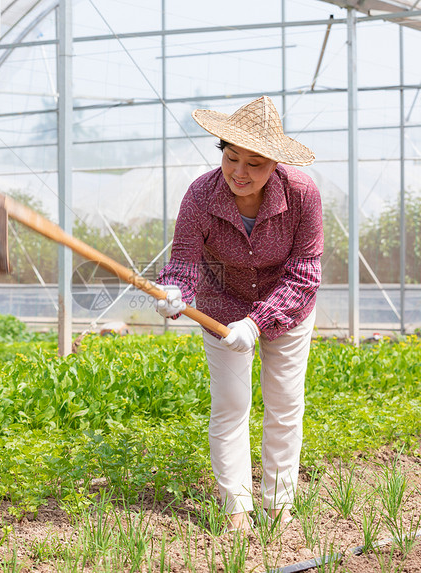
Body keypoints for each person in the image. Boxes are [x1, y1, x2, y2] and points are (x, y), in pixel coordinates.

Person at [154, 95, 323, 533]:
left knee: (284, 404)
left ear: (275, 165)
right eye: (231, 158)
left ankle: (278, 504)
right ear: (221, 152)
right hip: (221, 307)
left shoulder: (302, 194)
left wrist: (258, 321)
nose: (239, 172)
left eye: (255, 163)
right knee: (231, 404)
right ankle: (235, 509)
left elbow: (305, 273)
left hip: (287, 308)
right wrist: (175, 290)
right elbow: (185, 261)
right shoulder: (201, 194)